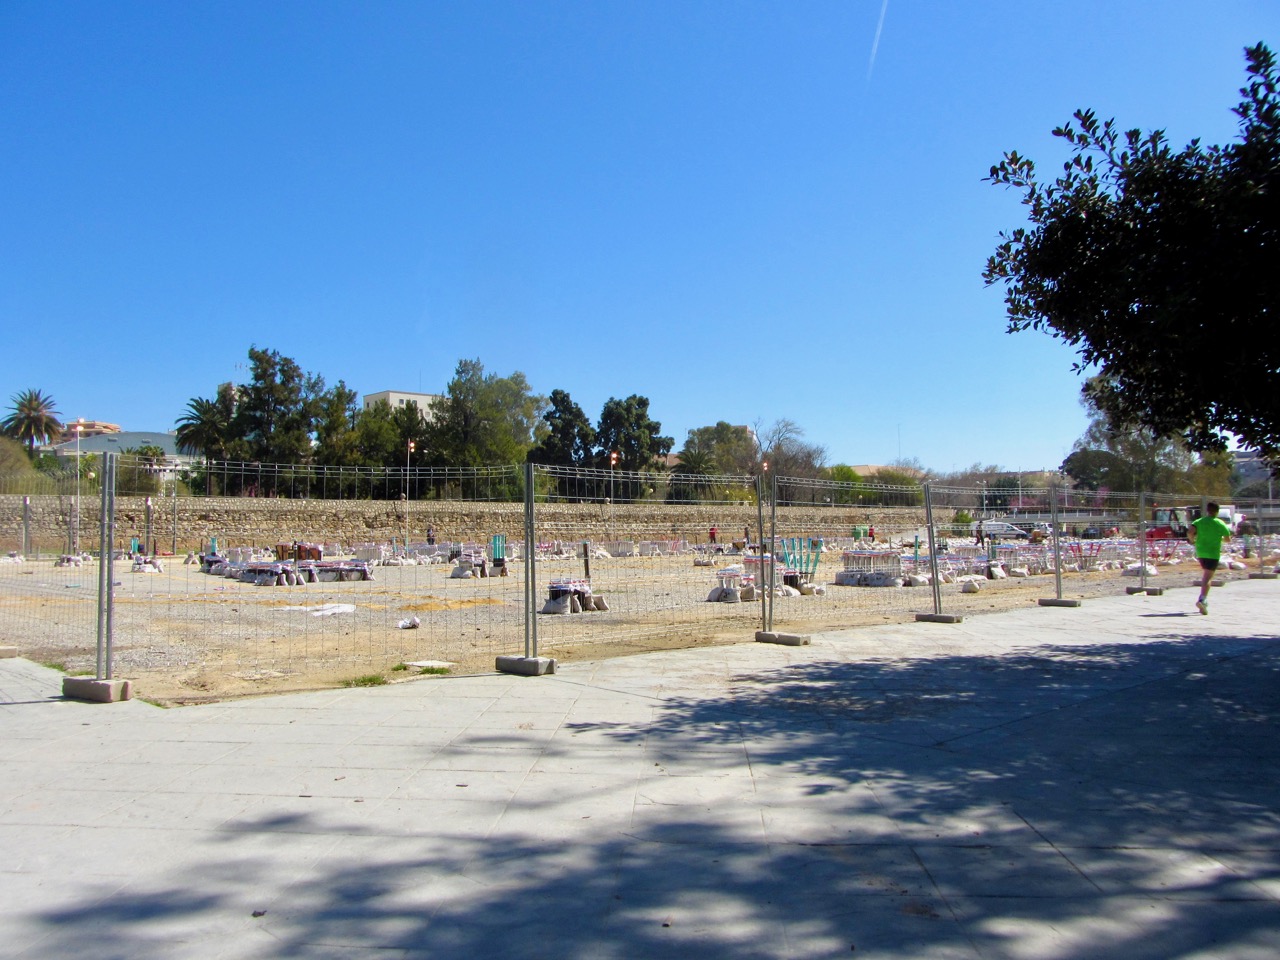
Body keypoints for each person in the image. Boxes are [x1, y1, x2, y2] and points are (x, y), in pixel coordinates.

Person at [1188, 502, 1232, 615]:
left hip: (1201, 552)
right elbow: (1227, 539)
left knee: (1206, 574)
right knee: (1208, 577)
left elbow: (1190, 532)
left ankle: (1203, 599)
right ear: (1217, 511)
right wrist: (1219, 539)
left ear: (1207, 510)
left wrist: (1192, 540)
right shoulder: (1219, 523)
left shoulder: (1199, 521)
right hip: (1213, 553)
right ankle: (1203, 599)